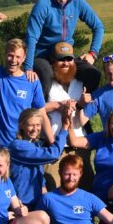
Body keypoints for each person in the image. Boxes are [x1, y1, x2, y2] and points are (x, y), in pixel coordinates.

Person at [0, 11, 50, 147]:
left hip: (23, 147)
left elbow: (42, 114)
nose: (13, 60)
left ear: (24, 59)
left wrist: (52, 144)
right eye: (10, 55)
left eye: (18, 57)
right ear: (5, 55)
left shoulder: (32, 81)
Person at [24, 0, 104, 96]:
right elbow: (31, 38)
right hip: (43, 55)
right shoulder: (43, 5)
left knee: (94, 74)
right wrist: (28, 67)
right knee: (47, 76)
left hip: (66, 54)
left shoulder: (78, 3)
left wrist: (92, 53)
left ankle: (80, 111)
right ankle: (41, 112)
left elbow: (98, 27)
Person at [42, 41, 93, 189]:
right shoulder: (47, 84)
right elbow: (36, 109)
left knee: (85, 186)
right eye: (61, 59)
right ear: (53, 61)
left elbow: (86, 112)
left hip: (79, 143)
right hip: (54, 144)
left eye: (69, 59)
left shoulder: (81, 82)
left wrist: (82, 104)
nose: (65, 63)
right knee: (53, 186)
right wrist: (58, 105)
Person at [8, 108, 67, 210]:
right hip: (22, 204)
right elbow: (53, 154)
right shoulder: (18, 146)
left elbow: (38, 173)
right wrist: (64, 129)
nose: (35, 129)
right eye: (31, 125)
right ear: (22, 125)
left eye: (38, 125)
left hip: (36, 201)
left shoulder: (35, 145)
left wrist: (44, 193)